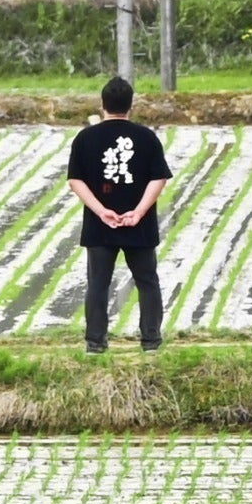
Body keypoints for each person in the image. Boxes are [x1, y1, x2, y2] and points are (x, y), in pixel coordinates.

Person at [66, 76, 172, 353]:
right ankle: (151, 342)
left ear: (102, 105)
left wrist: (101, 211)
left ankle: (95, 343)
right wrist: (138, 212)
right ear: (130, 105)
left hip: (100, 225)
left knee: (98, 284)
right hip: (139, 224)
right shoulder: (146, 137)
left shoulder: (85, 138)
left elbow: (75, 181)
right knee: (147, 281)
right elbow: (159, 178)